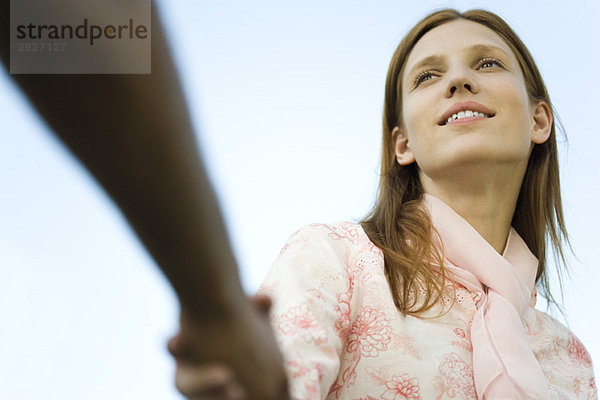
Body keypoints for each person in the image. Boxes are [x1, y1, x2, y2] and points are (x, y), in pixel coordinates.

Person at [172, 8, 597, 400]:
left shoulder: (570, 359)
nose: (458, 81)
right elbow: (274, 384)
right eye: (427, 76)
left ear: (539, 121)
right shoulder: (337, 259)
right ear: (403, 144)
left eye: (488, 63)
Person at [0, 2, 289, 399]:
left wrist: (219, 314)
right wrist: (220, 316)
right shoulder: (337, 258)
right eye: (409, 81)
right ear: (397, 144)